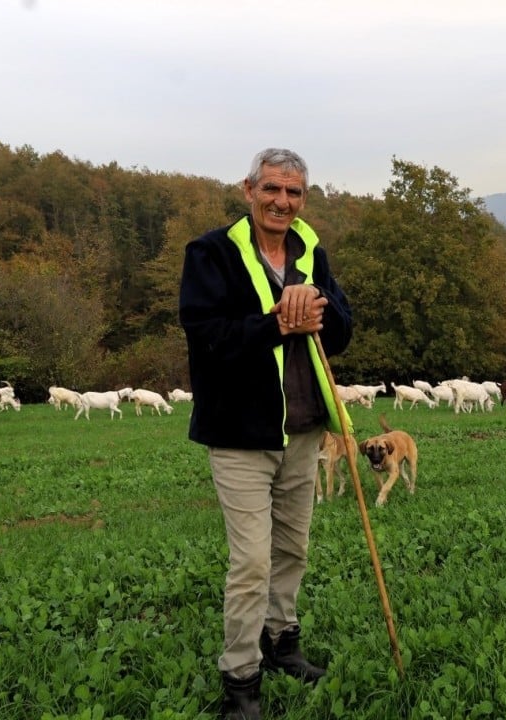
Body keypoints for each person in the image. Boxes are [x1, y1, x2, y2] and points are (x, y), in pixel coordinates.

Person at [178, 148, 354, 719]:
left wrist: (319, 307)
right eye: (272, 189)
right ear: (248, 189)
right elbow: (210, 338)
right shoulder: (211, 255)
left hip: (303, 431)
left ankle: (282, 644)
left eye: (294, 192)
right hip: (240, 436)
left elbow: (344, 331)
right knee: (251, 561)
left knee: (292, 549)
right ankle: (240, 680)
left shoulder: (310, 252)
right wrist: (280, 322)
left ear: (304, 198)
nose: (282, 201)